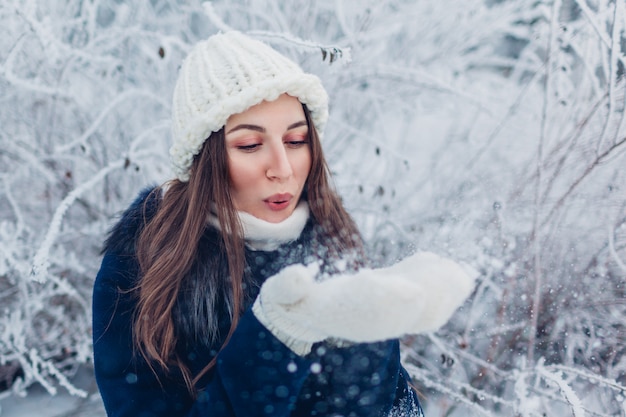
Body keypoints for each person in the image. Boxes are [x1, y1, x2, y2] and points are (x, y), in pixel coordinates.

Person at [92, 30, 475, 417]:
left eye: (295, 141)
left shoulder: (330, 239)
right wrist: (274, 335)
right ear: (203, 159)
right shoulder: (143, 267)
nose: (283, 168)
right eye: (249, 146)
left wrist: (367, 338)